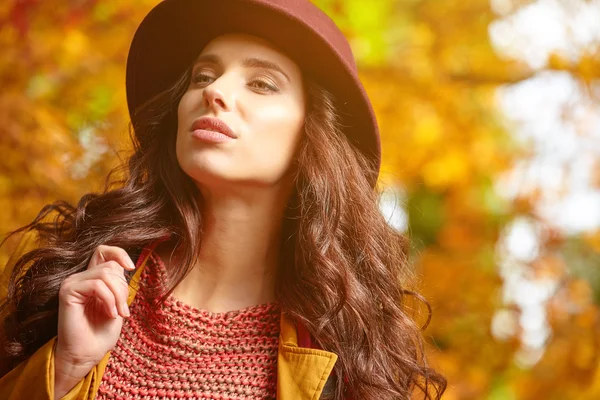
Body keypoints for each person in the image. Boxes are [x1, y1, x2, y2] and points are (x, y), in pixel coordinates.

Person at [0, 0, 446, 399]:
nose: (214, 92)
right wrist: (64, 370)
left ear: (314, 135)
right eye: (204, 76)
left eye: (262, 84)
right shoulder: (80, 281)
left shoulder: (345, 355)